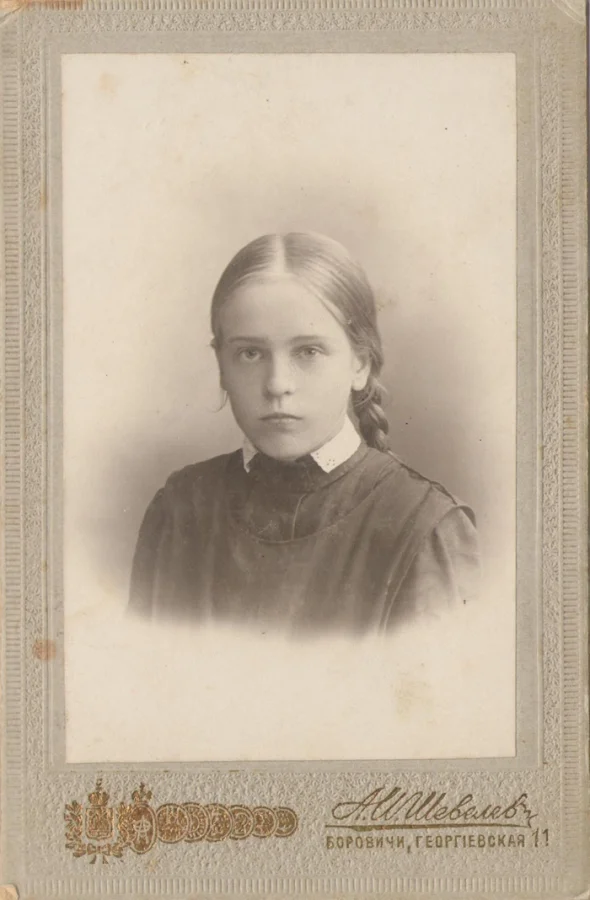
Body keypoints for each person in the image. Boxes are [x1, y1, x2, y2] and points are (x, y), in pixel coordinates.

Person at [129, 232, 479, 635]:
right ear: (222, 366)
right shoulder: (179, 511)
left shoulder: (424, 527)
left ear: (360, 364)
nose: (277, 384)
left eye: (308, 352)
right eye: (250, 353)